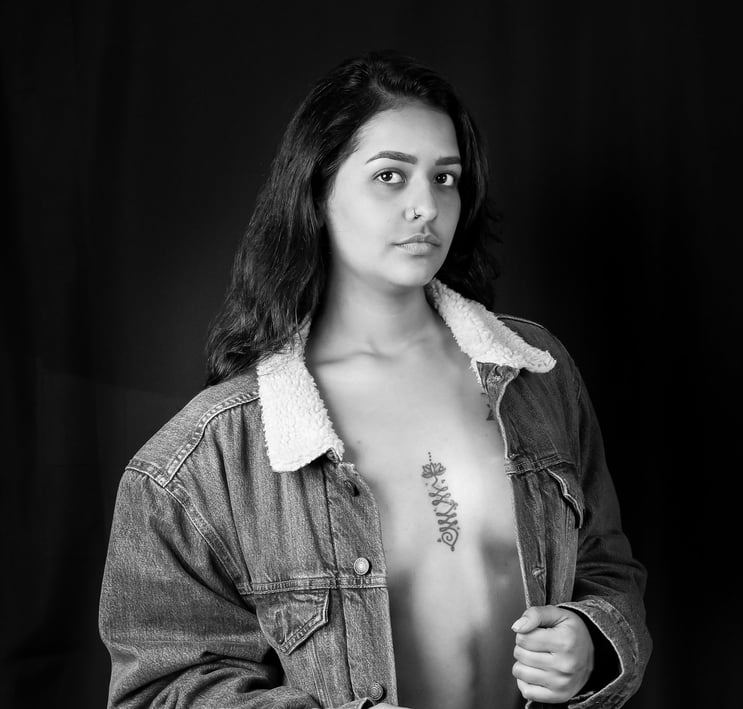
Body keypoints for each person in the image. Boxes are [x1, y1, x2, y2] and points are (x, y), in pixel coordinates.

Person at [99, 50, 651, 709]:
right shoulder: (203, 459)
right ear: (317, 191)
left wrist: (593, 642)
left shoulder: (534, 371)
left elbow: (606, 562)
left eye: (445, 178)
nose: (426, 205)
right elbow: (158, 691)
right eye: (391, 175)